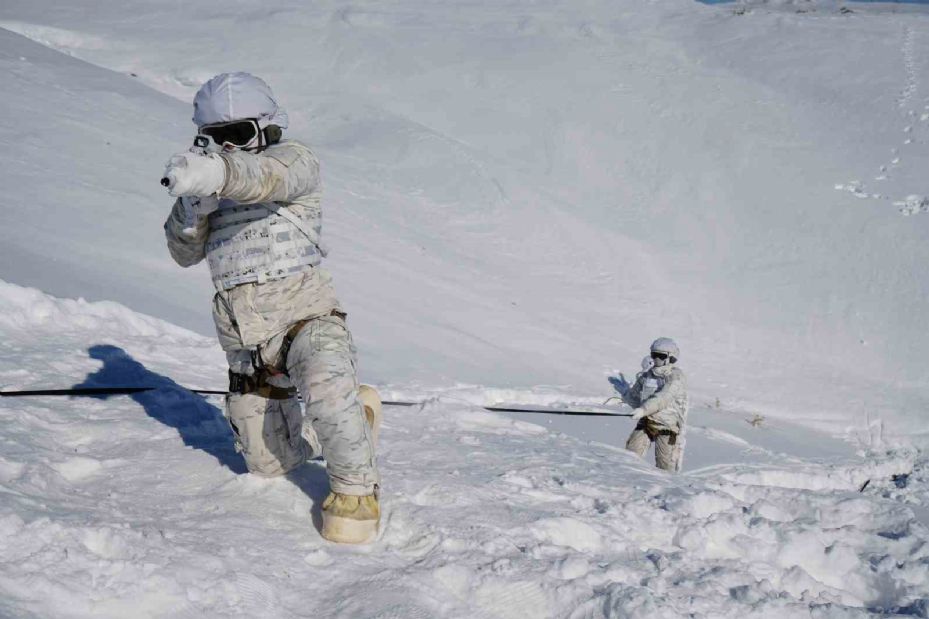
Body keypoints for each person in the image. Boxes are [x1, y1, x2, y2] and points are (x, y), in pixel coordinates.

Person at [161, 72, 381, 544]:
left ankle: (355, 494)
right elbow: (182, 254)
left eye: (238, 137)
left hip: (305, 315)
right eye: (217, 140)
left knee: (324, 387)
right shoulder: (209, 186)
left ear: (266, 128)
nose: (229, 150)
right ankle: (353, 422)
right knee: (269, 464)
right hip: (244, 337)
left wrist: (218, 174)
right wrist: (192, 205)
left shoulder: (294, 160)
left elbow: (265, 178)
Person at [622, 337, 688, 472]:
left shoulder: (675, 377)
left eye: (661, 356)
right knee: (629, 458)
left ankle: (666, 490)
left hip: (667, 427)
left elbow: (663, 398)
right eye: (654, 354)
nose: (656, 359)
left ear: (671, 358)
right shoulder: (648, 375)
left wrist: (643, 409)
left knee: (665, 468)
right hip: (647, 423)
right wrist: (627, 396)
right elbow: (635, 398)